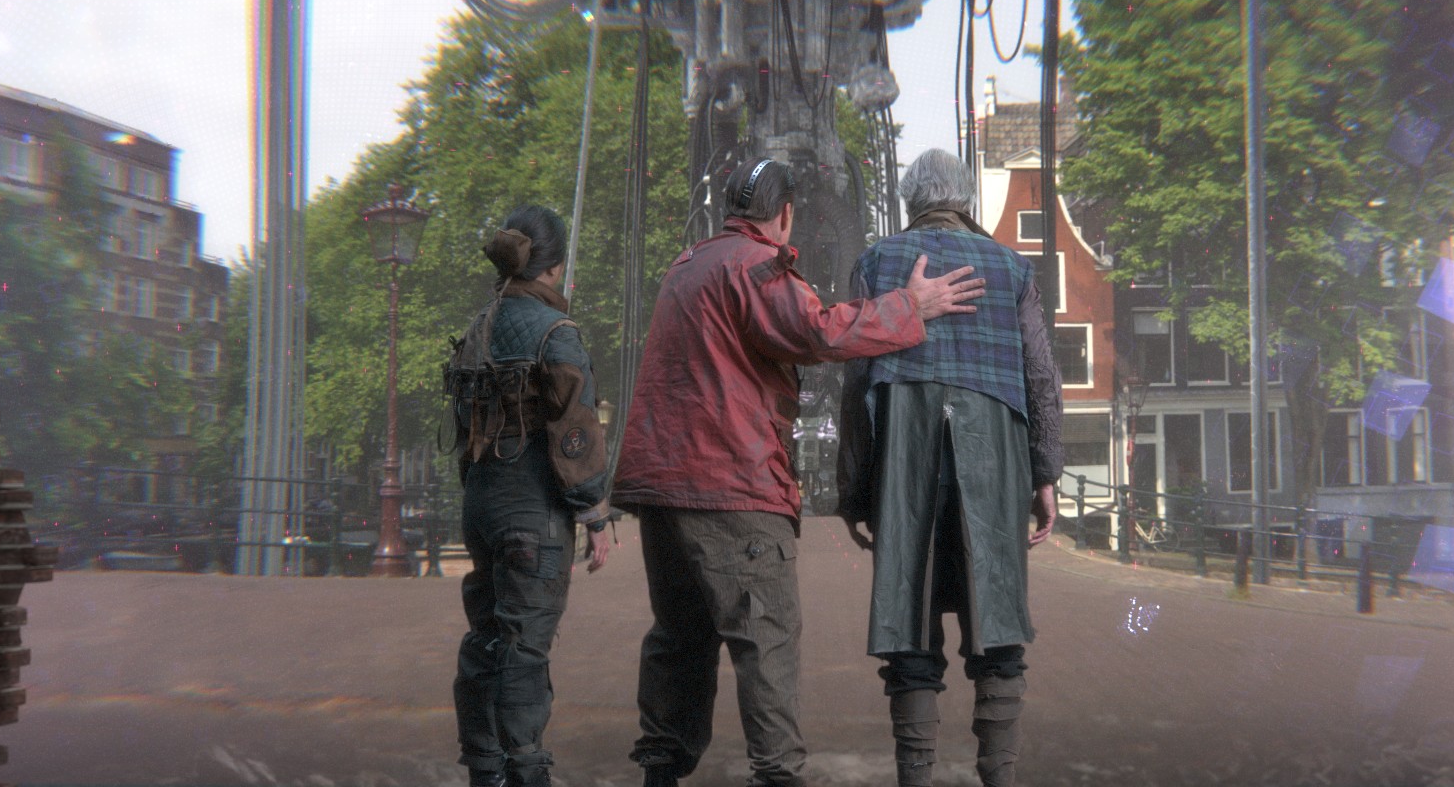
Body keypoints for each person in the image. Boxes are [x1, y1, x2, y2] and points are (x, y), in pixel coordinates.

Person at [612, 157, 987, 787]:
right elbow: (817, 333)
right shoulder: (757, 266)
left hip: (663, 488)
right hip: (732, 485)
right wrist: (911, 305)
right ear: (785, 215)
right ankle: (778, 775)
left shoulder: (687, 264)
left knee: (679, 638)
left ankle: (661, 770)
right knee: (767, 640)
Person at [835, 149, 1063, 787]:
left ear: (910, 200)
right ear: (966, 200)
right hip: (995, 459)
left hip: (903, 459)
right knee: (998, 621)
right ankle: (999, 775)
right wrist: (1044, 473)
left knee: (909, 619)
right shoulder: (1011, 267)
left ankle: (916, 776)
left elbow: (855, 385)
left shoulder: (877, 262)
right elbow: (1041, 376)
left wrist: (855, 491)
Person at [444, 205, 614, 787]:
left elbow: (463, 424)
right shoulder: (556, 333)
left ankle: (484, 768)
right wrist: (595, 515)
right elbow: (575, 431)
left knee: (486, 637)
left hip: (480, 503)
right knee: (524, 648)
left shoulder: (477, 327)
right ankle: (525, 771)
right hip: (531, 510)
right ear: (555, 267)